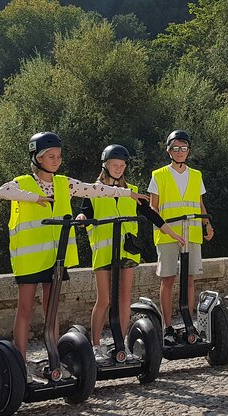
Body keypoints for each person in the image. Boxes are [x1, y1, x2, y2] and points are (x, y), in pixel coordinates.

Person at [0, 132, 149, 365]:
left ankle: (53, 360)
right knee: (25, 309)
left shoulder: (64, 183)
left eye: (58, 156)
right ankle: (20, 363)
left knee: (52, 310)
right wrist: (33, 197)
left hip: (55, 257)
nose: (56, 160)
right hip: (29, 259)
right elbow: (3, 191)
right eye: (51, 156)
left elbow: (96, 190)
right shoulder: (23, 182)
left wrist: (127, 193)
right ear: (37, 158)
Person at [76, 144, 184, 362]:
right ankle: (95, 346)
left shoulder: (132, 191)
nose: (118, 168)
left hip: (127, 252)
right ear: (105, 166)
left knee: (125, 298)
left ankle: (121, 344)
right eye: (115, 165)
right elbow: (84, 212)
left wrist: (173, 234)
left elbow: (152, 215)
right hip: (104, 252)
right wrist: (81, 219)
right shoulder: (94, 191)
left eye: (122, 165)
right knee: (104, 299)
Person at [148, 130, 214, 345]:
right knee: (168, 279)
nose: (179, 152)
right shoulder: (158, 175)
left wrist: (207, 223)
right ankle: (167, 326)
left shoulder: (196, 175)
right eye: (175, 148)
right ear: (169, 150)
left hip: (192, 232)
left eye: (183, 148)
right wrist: (163, 227)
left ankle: (189, 322)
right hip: (167, 234)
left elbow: (200, 203)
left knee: (190, 279)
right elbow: (153, 207)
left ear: (188, 151)